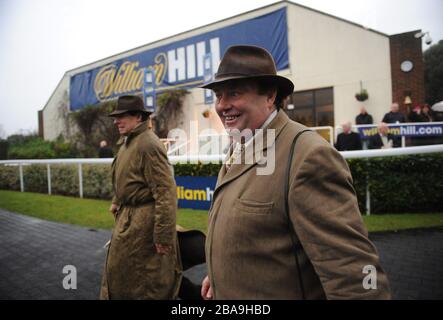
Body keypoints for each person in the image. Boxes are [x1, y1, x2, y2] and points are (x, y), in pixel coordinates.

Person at [199, 45, 390, 300]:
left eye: (233, 93)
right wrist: (223, 274)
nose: (222, 106)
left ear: (269, 95)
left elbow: (354, 274)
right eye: (218, 95)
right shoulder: (242, 143)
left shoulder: (308, 156)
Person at [100, 95, 181, 299]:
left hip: (144, 224)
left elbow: (165, 190)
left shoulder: (147, 143)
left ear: (137, 117)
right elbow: (128, 177)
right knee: (124, 276)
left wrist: (163, 235)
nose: (116, 121)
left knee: (146, 282)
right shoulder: (130, 142)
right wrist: (117, 200)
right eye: (116, 117)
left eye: (122, 116)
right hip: (129, 218)